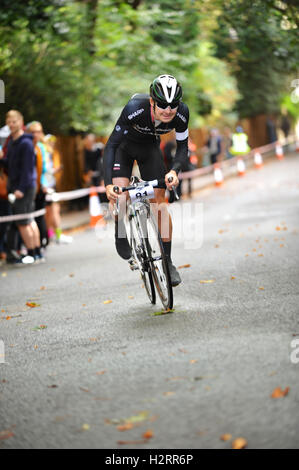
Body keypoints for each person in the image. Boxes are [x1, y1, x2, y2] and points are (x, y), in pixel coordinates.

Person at [103, 74, 190, 287]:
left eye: (173, 105)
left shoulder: (181, 114)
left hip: (149, 148)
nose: (168, 110)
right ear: (152, 101)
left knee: (160, 204)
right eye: (162, 105)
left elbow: (183, 147)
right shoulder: (135, 107)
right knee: (121, 197)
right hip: (123, 148)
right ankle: (120, 228)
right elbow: (111, 145)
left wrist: (174, 171)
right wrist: (108, 184)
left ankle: (168, 262)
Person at [0, 110, 42, 264]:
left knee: (23, 222)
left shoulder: (25, 143)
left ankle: (32, 253)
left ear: (21, 122)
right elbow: (10, 165)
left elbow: (27, 169)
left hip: (24, 188)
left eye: (14, 121)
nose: (11, 124)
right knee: (29, 220)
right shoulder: (11, 142)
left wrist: (21, 189)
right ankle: (37, 252)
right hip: (19, 186)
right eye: (9, 121)